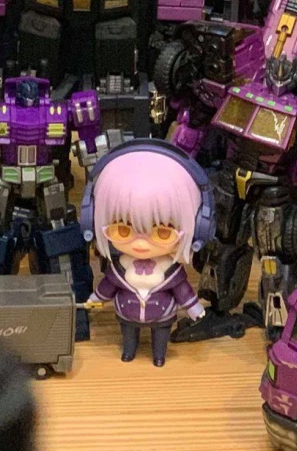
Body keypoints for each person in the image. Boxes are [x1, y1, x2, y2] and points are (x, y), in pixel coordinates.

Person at [85, 143, 212, 366]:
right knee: (128, 337)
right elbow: (107, 286)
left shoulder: (171, 271)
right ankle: (129, 351)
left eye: (163, 232)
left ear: (199, 226)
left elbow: (183, 291)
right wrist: (95, 299)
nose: (141, 243)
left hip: (162, 316)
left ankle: (159, 355)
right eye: (122, 230)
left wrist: (194, 307)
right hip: (127, 314)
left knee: (160, 339)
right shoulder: (119, 268)